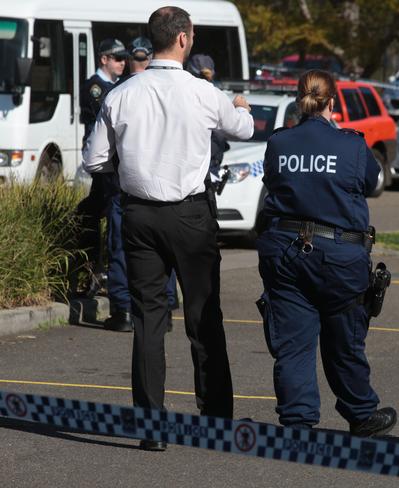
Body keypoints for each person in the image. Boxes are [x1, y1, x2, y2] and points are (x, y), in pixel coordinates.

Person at [82, 6, 254, 451]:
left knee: (148, 321)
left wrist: (126, 168)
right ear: (183, 39)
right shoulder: (202, 91)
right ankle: (215, 420)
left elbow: (93, 159)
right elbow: (245, 126)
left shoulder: (121, 93)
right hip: (190, 214)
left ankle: (151, 428)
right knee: (203, 315)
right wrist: (239, 105)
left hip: (139, 212)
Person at [256, 69, 397, 436]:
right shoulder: (351, 144)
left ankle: (298, 419)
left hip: (286, 252)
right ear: (332, 102)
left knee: (293, 341)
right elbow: (371, 182)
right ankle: (361, 413)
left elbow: (273, 184)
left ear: (298, 100)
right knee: (344, 340)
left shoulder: (279, 143)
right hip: (339, 255)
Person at [102, 36, 179, 332]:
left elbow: (96, 155)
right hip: (168, 188)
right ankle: (165, 309)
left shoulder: (120, 93)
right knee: (166, 253)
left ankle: (123, 310)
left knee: (122, 249)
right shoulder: (178, 91)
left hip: (128, 187)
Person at [74, 39, 127, 295]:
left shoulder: (117, 87)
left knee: (105, 215)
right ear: (103, 59)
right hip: (101, 164)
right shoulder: (96, 87)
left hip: (112, 163)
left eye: (124, 58)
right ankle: (96, 271)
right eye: (117, 58)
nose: (122, 63)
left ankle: (100, 271)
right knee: (100, 215)